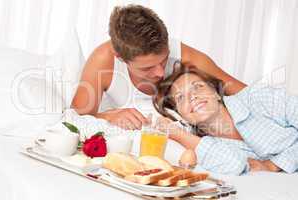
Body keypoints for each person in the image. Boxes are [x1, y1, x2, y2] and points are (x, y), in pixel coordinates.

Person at [71, 4, 246, 130]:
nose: (161, 72)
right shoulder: (104, 60)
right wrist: (108, 116)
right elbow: (73, 119)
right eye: (147, 68)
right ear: (121, 58)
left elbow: (250, 96)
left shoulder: (186, 57)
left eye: (164, 60)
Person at [153, 62, 298, 175]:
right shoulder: (207, 146)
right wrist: (178, 134)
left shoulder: (257, 96)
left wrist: (274, 165)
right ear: (181, 115)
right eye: (180, 97)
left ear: (216, 93)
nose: (192, 97)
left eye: (197, 87)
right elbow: (236, 165)